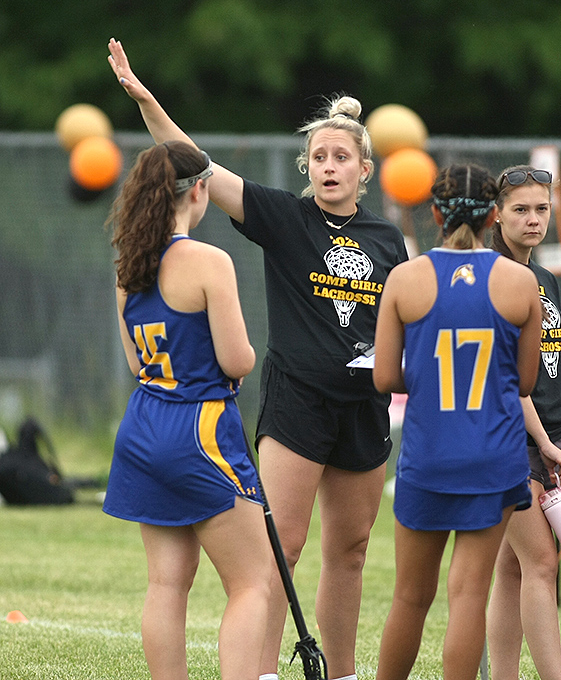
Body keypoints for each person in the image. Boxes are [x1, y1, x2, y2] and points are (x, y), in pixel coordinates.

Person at [107, 38, 410, 680]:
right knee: (282, 548)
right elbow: (196, 167)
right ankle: (265, 671)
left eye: (342, 158)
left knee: (352, 550)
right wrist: (147, 102)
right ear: (307, 167)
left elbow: (398, 323)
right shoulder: (284, 217)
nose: (329, 167)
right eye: (318, 157)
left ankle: (343, 672)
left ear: (365, 169)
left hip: (364, 405)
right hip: (298, 401)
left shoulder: (387, 239)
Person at [372, 163, 561, 680]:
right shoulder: (520, 282)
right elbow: (525, 381)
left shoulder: (405, 278)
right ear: (492, 216)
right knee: (469, 595)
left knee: (410, 597)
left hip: (429, 454)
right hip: (494, 456)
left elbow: (385, 378)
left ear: (435, 214)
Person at [103, 140, 272, 679]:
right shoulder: (208, 262)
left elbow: (137, 363)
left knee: (166, 583)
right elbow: (237, 359)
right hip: (199, 428)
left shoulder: (128, 265)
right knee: (252, 582)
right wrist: (240, 361)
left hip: (144, 424)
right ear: (199, 191)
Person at [484, 165, 561, 680]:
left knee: (513, 567)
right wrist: (543, 444)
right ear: (497, 214)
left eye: (542, 209)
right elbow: (509, 377)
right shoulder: (494, 275)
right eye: (521, 210)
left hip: (547, 440)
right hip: (509, 439)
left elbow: (557, 365)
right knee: (542, 563)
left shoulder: (545, 278)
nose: (533, 219)